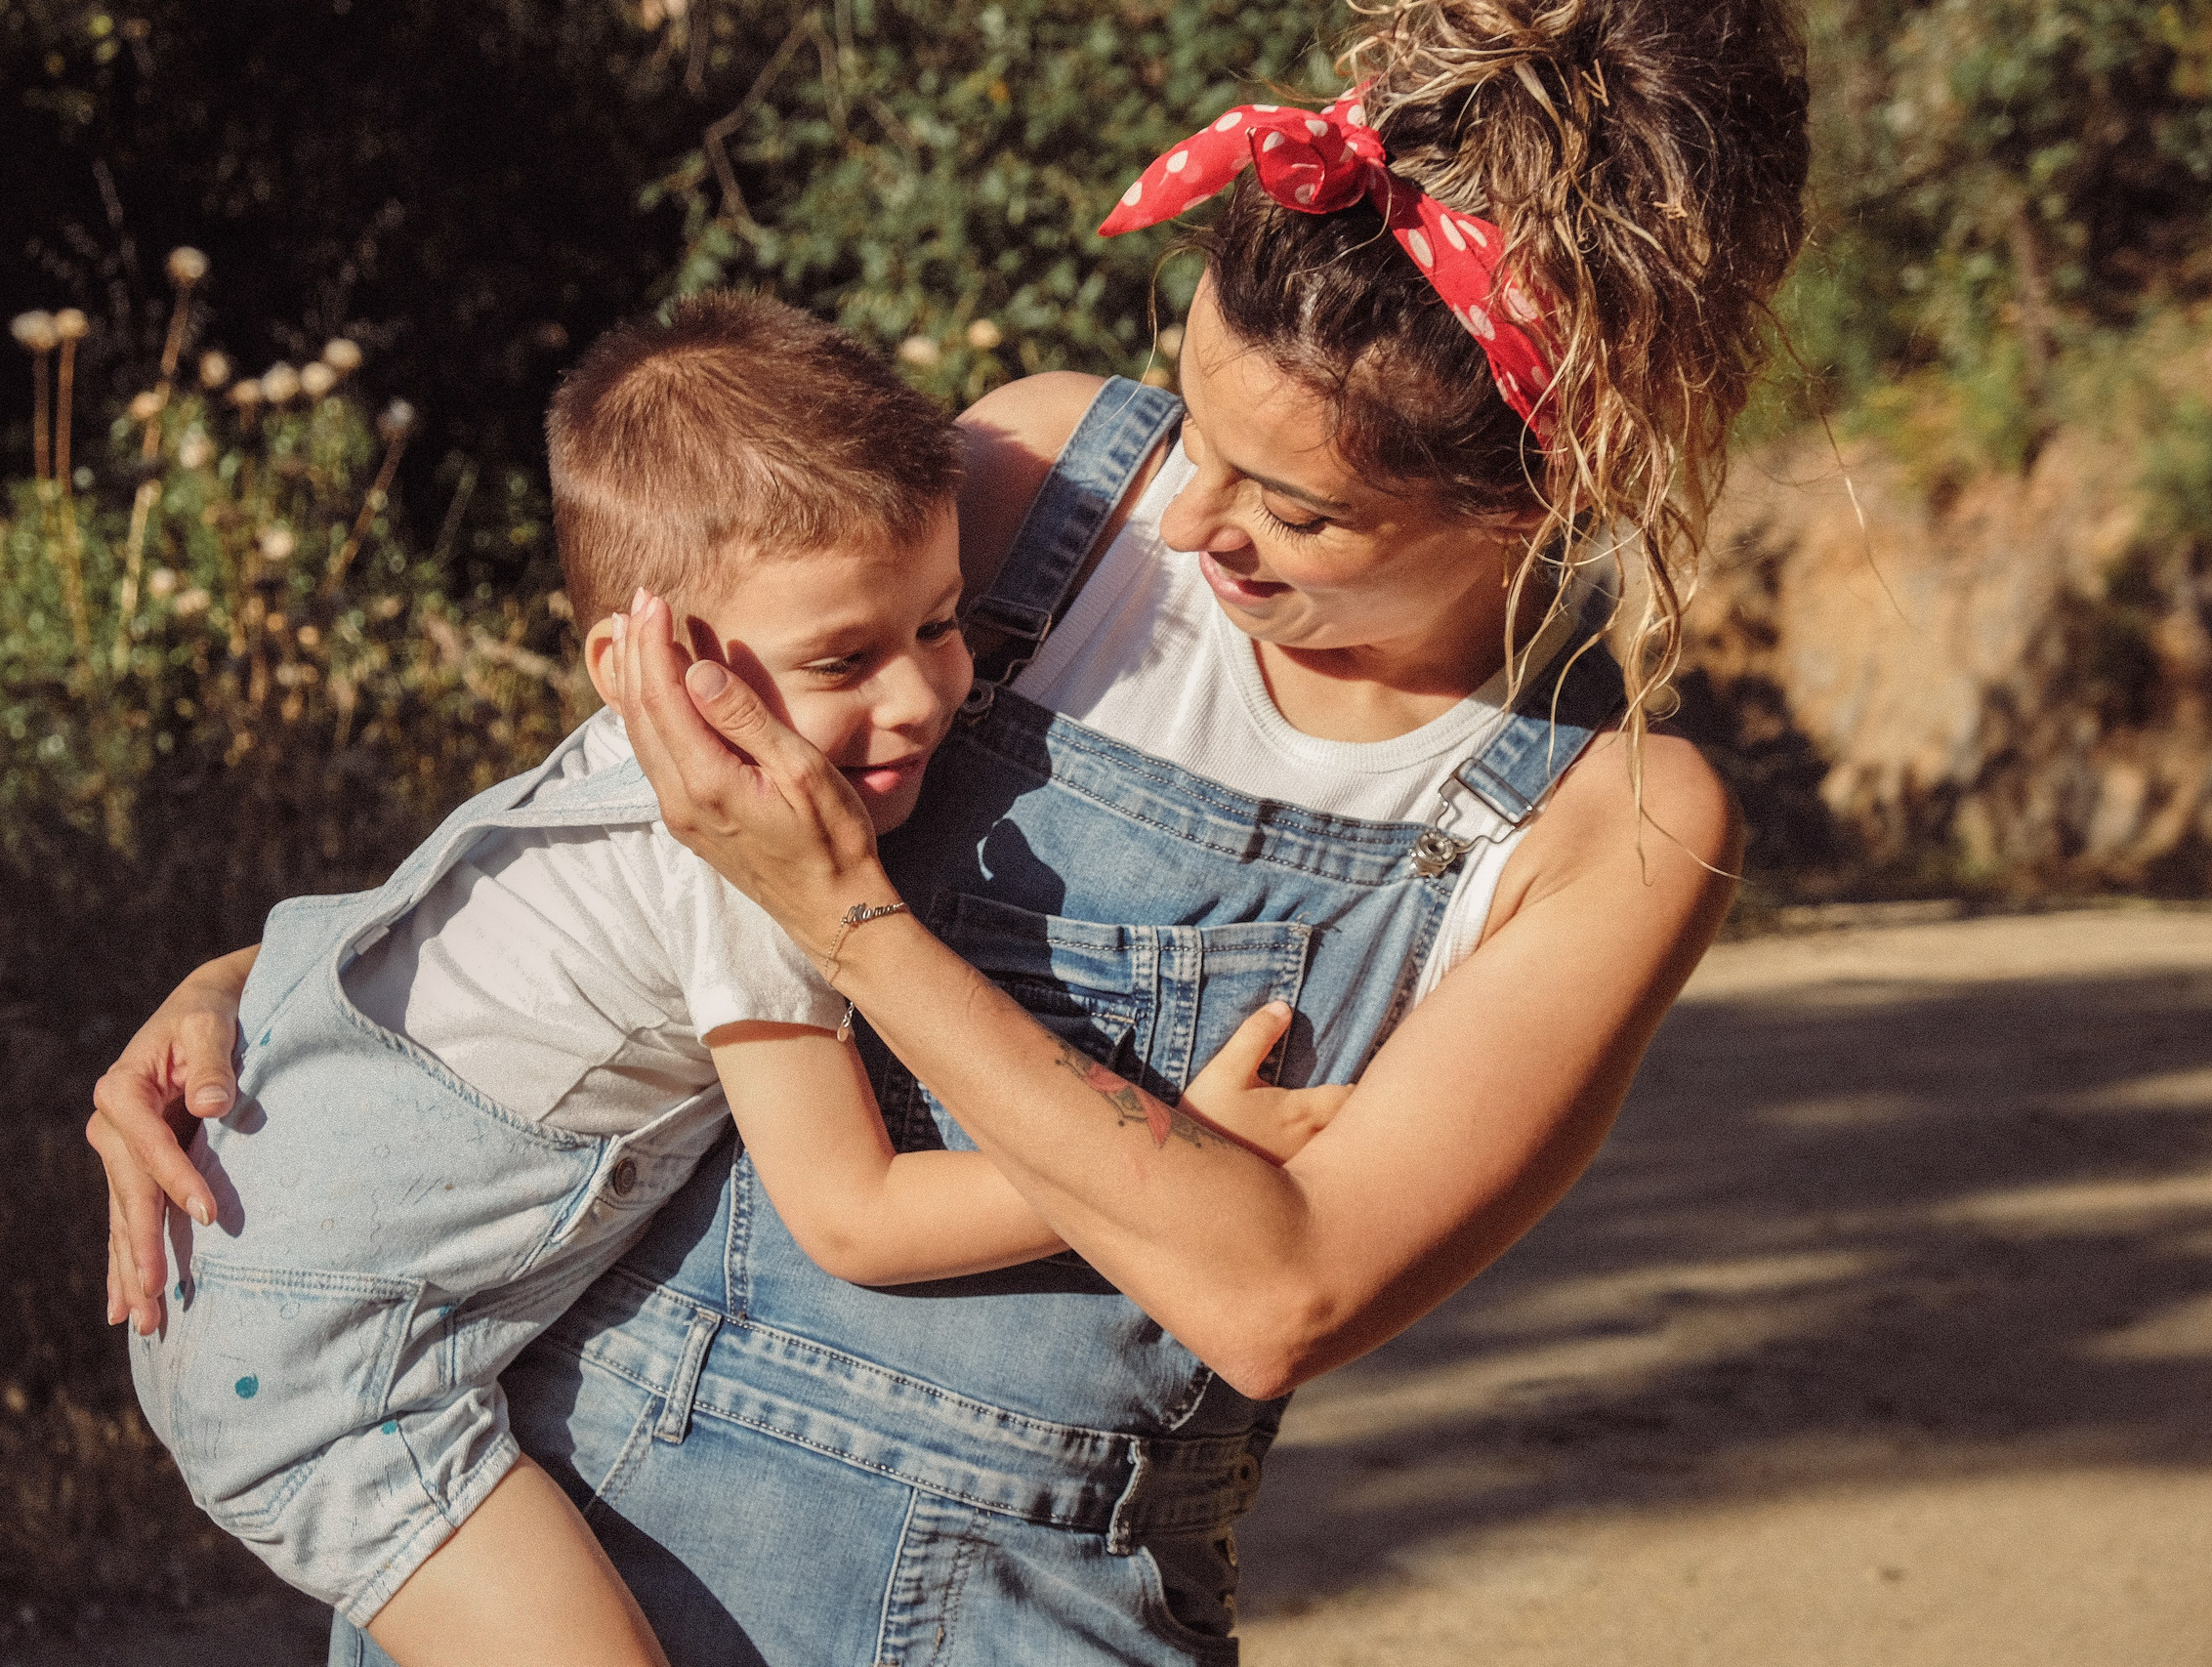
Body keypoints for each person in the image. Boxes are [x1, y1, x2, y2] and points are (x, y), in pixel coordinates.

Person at [90, 4, 1811, 1659]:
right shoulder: (1041, 478)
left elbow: (1280, 1293)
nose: (1195, 521)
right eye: (1196, 424)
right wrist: (254, 993)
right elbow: (619, 827)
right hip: (571, 1517)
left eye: (1297, 506)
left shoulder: (1616, 825)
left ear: (1554, 491)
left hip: (1020, 1619)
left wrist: (852, 926)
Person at [124, 293, 1344, 1667]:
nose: (923, 698)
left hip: (261, 1268)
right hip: (323, 1384)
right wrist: (1180, 1154)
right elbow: (857, 1215)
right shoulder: (736, 861)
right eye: (843, 660)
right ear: (649, 662)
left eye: (945, 626)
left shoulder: (626, 758)